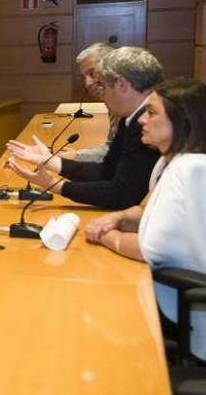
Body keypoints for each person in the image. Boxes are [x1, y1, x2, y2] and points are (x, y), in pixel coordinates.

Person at [84, 78, 206, 362]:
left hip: (185, 305)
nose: (143, 120)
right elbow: (144, 208)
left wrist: (104, 235)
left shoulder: (188, 169)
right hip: (176, 293)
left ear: (181, 120)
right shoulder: (172, 161)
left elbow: (148, 249)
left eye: (152, 113)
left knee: (94, 316)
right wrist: (117, 218)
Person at [6, 46, 162, 210]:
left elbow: (122, 194)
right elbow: (107, 171)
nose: (102, 93)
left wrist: (55, 186)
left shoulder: (148, 124)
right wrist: (52, 162)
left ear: (122, 85)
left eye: (104, 86)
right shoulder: (129, 117)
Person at [62, 42, 118, 162]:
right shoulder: (113, 102)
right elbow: (114, 148)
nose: (87, 83)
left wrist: (77, 156)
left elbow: (119, 156)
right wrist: (77, 155)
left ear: (112, 70)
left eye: (92, 73)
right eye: (83, 77)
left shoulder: (127, 106)